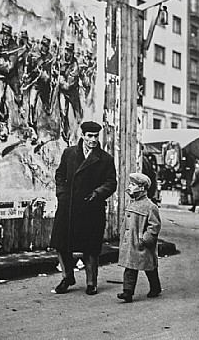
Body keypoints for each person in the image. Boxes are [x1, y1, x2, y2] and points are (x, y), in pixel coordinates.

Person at [50, 121, 117, 295]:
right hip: (69, 207)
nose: (93, 140)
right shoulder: (69, 153)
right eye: (89, 136)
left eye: (96, 136)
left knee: (91, 247)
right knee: (62, 244)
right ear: (83, 135)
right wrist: (62, 194)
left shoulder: (105, 158)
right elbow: (60, 175)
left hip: (91, 207)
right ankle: (67, 277)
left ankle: (91, 282)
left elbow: (111, 182)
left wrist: (98, 193)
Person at [117, 173, 162, 303]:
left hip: (141, 243)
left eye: (133, 184)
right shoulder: (132, 203)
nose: (130, 186)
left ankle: (155, 287)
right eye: (130, 184)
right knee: (130, 266)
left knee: (149, 267)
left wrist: (145, 239)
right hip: (130, 241)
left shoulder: (150, 206)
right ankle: (128, 292)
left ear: (142, 188)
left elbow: (154, 225)